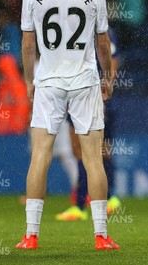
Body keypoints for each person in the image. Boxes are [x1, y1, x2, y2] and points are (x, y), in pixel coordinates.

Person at [17, 0, 119, 250]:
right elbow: (103, 41)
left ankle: (30, 236)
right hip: (85, 80)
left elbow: (28, 41)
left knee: (40, 157)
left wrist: (28, 80)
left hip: (48, 81)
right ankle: (101, 236)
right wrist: (108, 77)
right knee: (93, 159)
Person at [56, 28, 122, 221]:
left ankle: (102, 198)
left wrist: (106, 88)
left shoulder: (104, 31)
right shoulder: (76, 25)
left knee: (99, 150)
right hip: (75, 92)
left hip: (95, 95)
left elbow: (113, 61)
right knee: (79, 149)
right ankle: (95, 200)